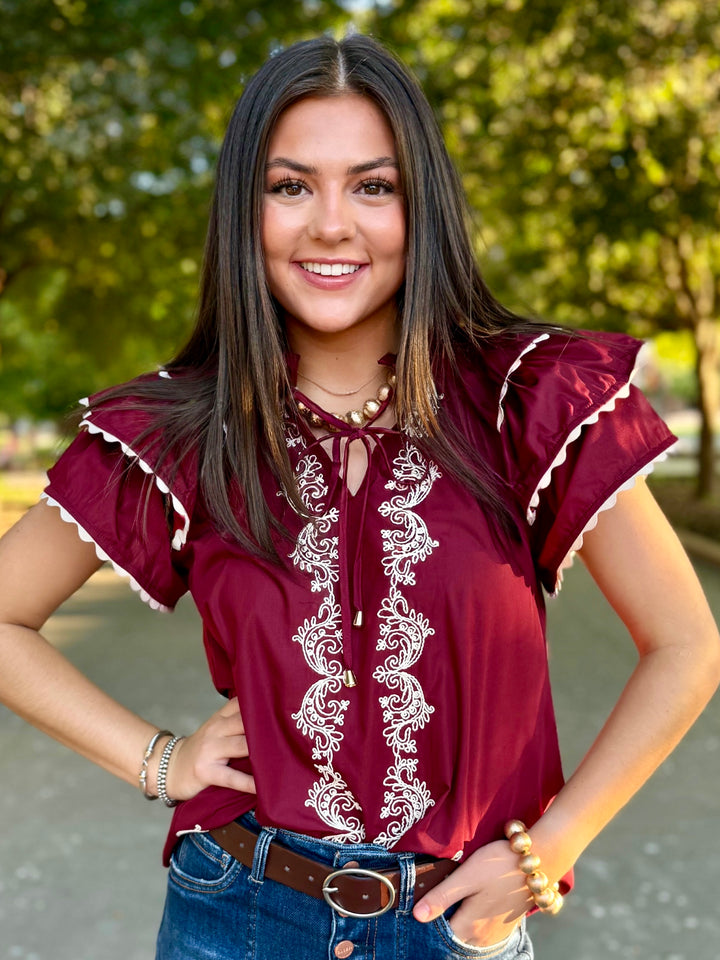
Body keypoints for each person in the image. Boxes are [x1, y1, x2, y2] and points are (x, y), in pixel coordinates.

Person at [0, 33, 718, 960]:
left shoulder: (528, 399)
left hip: (459, 927)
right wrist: (161, 760)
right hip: (237, 914)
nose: (330, 224)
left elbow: (686, 644)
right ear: (243, 212)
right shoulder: (181, 426)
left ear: (422, 210)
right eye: (289, 186)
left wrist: (549, 851)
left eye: (373, 187)